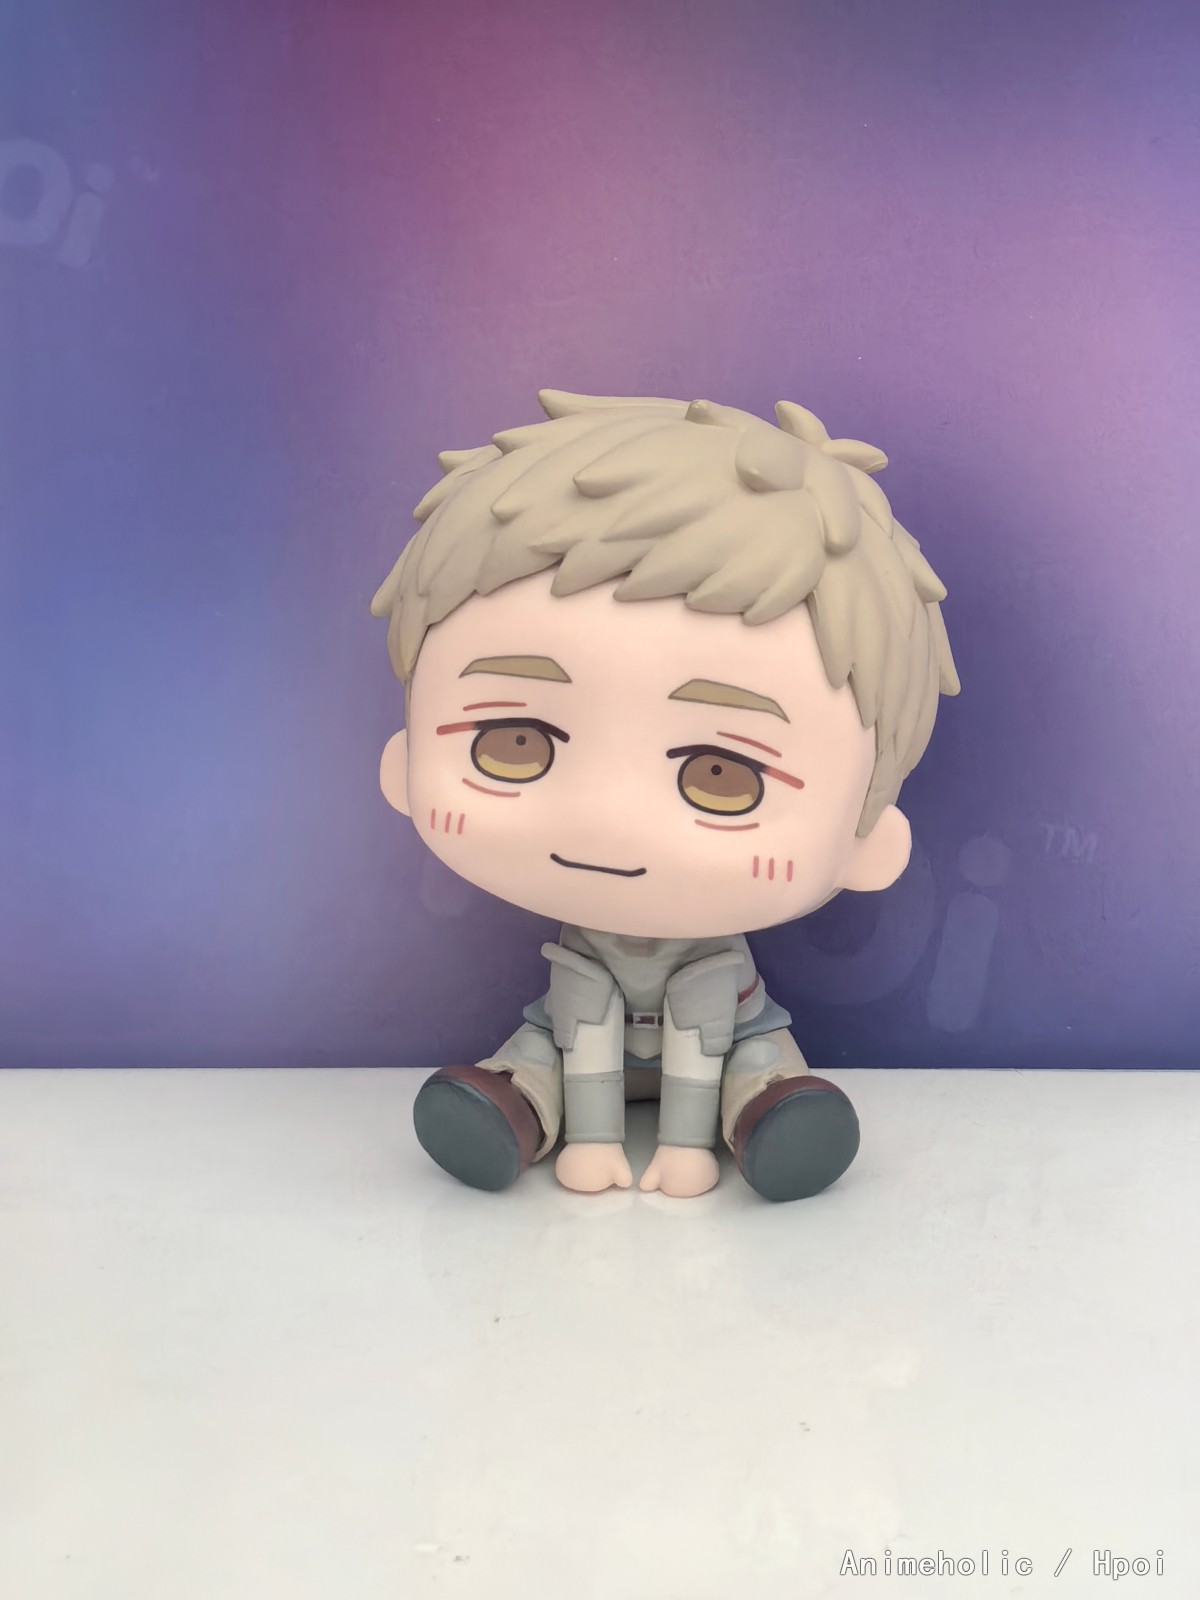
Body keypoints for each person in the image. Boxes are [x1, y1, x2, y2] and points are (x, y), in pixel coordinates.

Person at [370, 390, 959, 1200]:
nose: (606, 817)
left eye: (722, 775)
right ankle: (516, 1106)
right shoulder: (578, 947)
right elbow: (577, 1018)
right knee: (539, 1052)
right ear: (404, 763)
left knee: (756, 1062)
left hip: (734, 1031)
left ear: (867, 842)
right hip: (568, 1028)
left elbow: (713, 1022)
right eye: (515, 742)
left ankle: (766, 1113)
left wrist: (687, 1147)